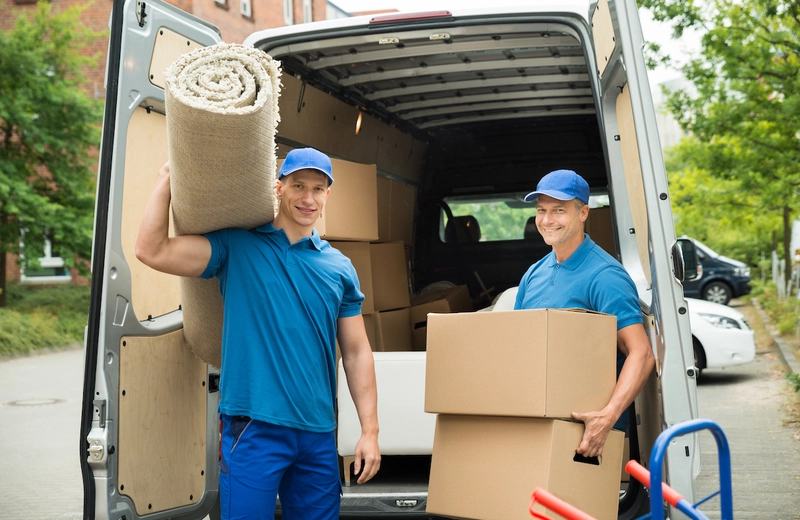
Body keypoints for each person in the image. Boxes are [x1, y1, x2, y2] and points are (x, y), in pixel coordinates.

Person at [135, 147, 380, 519]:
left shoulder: (340, 267)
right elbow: (151, 250)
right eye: (298, 185)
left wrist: (370, 432)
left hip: (317, 433)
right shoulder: (239, 247)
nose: (308, 198)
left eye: (317, 188)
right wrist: (167, 179)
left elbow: (357, 352)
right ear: (278, 188)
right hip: (253, 428)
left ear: (328, 195)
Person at [514, 169, 655, 458]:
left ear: (583, 213)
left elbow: (641, 354)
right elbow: (518, 346)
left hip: (585, 433)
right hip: (536, 423)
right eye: (541, 210)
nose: (547, 220)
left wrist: (607, 418)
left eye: (558, 210)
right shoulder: (534, 273)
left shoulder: (605, 276)